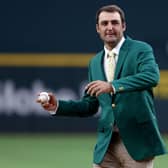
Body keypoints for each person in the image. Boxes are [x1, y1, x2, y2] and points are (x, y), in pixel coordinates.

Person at [36, 4, 167, 168]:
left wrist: (112, 86)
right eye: (105, 23)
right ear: (98, 28)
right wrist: (57, 105)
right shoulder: (95, 62)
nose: (110, 27)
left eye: (115, 22)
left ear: (123, 26)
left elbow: (151, 77)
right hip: (107, 145)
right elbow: (89, 105)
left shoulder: (140, 49)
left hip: (137, 143)